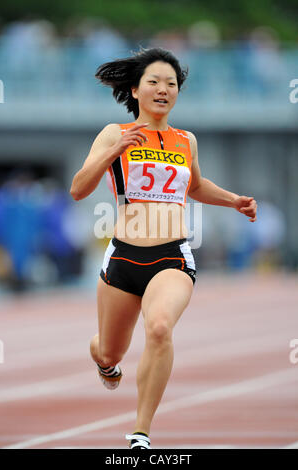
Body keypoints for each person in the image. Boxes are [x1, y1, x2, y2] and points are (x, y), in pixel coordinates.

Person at [70, 47, 257, 449]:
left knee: (159, 328)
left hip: (171, 255)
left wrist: (235, 200)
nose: (163, 89)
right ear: (135, 90)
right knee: (109, 351)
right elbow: (77, 189)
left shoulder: (185, 140)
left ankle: (140, 431)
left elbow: (195, 186)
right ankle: (102, 358)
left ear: (177, 93)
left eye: (171, 84)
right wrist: (111, 153)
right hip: (123, 256)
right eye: (154, 82)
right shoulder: (113, 134)